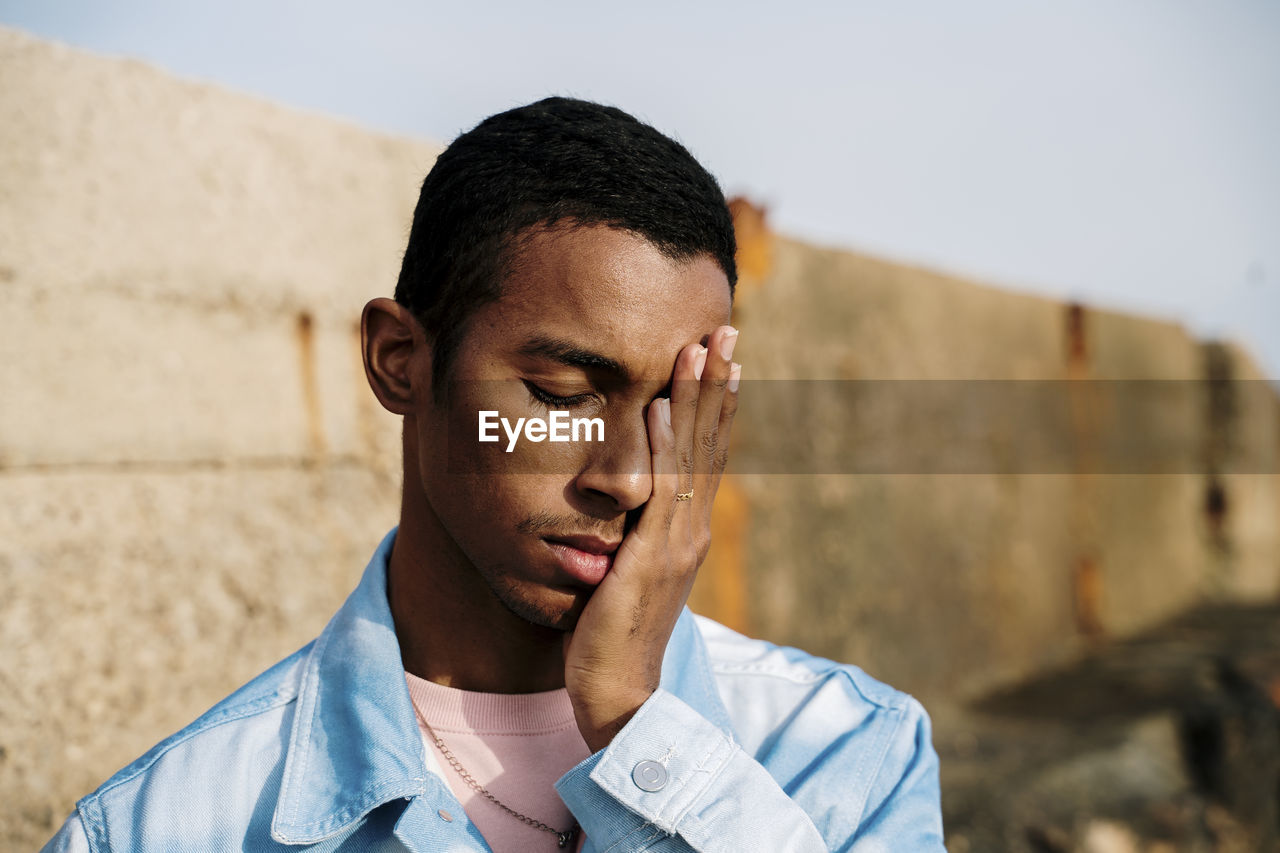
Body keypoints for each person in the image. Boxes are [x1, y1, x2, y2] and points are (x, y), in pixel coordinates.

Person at [43, 97, 944, 852]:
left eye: (676, 410)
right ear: (401, 360)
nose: (629, 478)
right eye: (561, 393)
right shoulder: (168, 824)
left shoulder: (846, 756)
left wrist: (636, 722)